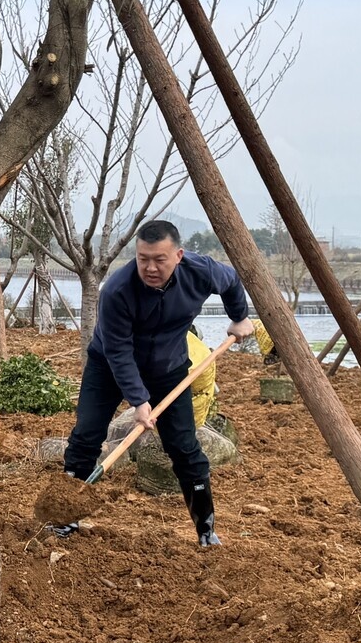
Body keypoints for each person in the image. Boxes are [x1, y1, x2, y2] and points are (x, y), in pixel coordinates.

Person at [58, 221, 253, 548]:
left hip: (168, 367)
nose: (150, 267)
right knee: (86, 435)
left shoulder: (201, 271)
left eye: (159, 259)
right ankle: (65, 518)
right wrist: (139, 401)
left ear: (178, 255)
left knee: (185, 447)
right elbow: (118, 351)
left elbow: (231, 281)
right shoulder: (118, 290)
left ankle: (206, 529)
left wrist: (239, 316)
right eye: (142, 258)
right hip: (109, 365)